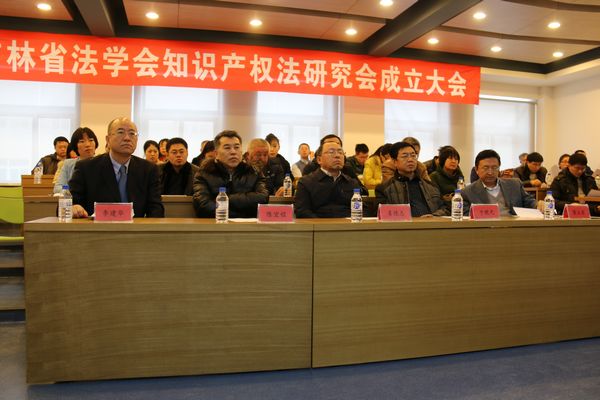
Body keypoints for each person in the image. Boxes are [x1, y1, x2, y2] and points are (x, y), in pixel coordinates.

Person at [69, 117, 164, 218]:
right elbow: (69, 203)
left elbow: (156, 208)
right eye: (121, 132)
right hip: (98, 227)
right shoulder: (86, 168)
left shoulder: (149, 170)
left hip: (136, 227)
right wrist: (74, 207)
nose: (127, 138)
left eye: (132, 134)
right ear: (108, 139)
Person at [192, 130, 268, 218]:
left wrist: (226, 199)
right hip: (215, 225)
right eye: (227, 148)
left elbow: (263, 198)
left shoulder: (254, 172)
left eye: (237, 147)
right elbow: (203, 206)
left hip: (248, 225)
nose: (233, 152)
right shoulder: (204, 174)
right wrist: (238, 215)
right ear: (216, 154)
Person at [295, 141, 366, 218]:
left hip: (348, 223)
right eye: (331, 152)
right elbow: (302, 211)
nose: (337, 156)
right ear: (319, 160)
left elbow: (363, 209)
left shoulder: (351, 182)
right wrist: (324, 223)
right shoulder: (306, 182)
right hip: (318, 224)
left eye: (340, 152)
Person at [376, 141, 447, 217]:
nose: (410, 159)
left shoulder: (431, 186)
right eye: (405, 156)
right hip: (403, 224)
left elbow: (445, 208)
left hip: (431, 223)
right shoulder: (384, 189)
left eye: (413, 156)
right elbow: (384, 214)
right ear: (394, 162)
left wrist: (434, 216)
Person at [462, 149, 537, 216]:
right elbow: (466, 217)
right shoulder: (467, 192)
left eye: (494, 168)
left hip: (514, 226)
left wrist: (538, 205)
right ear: (476, 170)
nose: (490, 172)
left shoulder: (515, 184)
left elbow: (529, 202)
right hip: (486, 226)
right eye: (486, 168)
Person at [53, 127, 98, 194]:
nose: (88, 145)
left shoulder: (102, 163)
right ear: (75, 145)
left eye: (91, 140)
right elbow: (58, 187)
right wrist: (69, 188)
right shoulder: (68, 164)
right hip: (74, 199)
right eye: (82, 141)